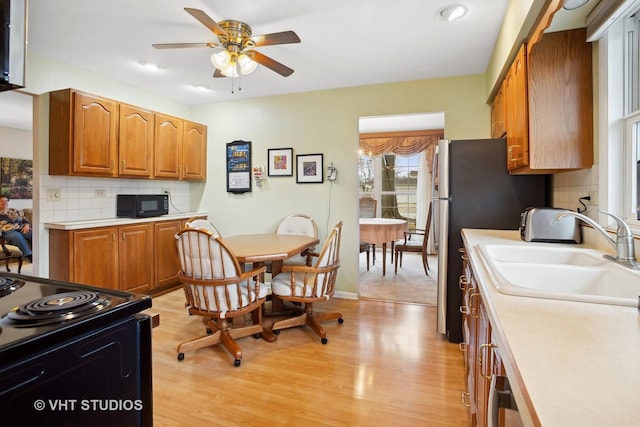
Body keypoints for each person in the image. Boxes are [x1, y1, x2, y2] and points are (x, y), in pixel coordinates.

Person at [0, 194, 32, 262]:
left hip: (22, 228)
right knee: (16, 236)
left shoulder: (14, 210)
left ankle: (39, 253)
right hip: (8, 231)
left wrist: (27, 225)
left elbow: (24, 219)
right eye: (1, 201)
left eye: (6, 201)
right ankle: (29, 255)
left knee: (33, 234)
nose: (4, 203)